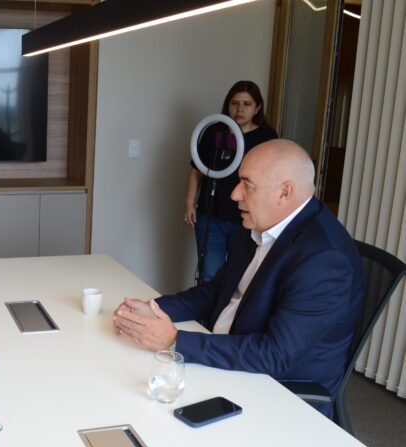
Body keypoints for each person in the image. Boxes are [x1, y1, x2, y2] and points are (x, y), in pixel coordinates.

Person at [115, 139, 364, 415]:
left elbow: (274, 355)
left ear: (284, 193)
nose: (234, 194)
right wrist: (155, 309)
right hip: (230, 360)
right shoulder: (259, 223)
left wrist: (174, 340)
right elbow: (216, 291)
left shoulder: (323, 259)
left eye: (247, 184)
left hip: (277, 394)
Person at [184, 81, 278, 282]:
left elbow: (271, 180)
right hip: (211, 216)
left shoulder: (266, 137)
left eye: (247, 104)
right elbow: (197, 170)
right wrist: (189, 203)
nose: (240, 109)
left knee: (241, 277)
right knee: (209, 276)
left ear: (257, 108)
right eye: (235, 103)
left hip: (246, 219)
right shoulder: (214, 130)